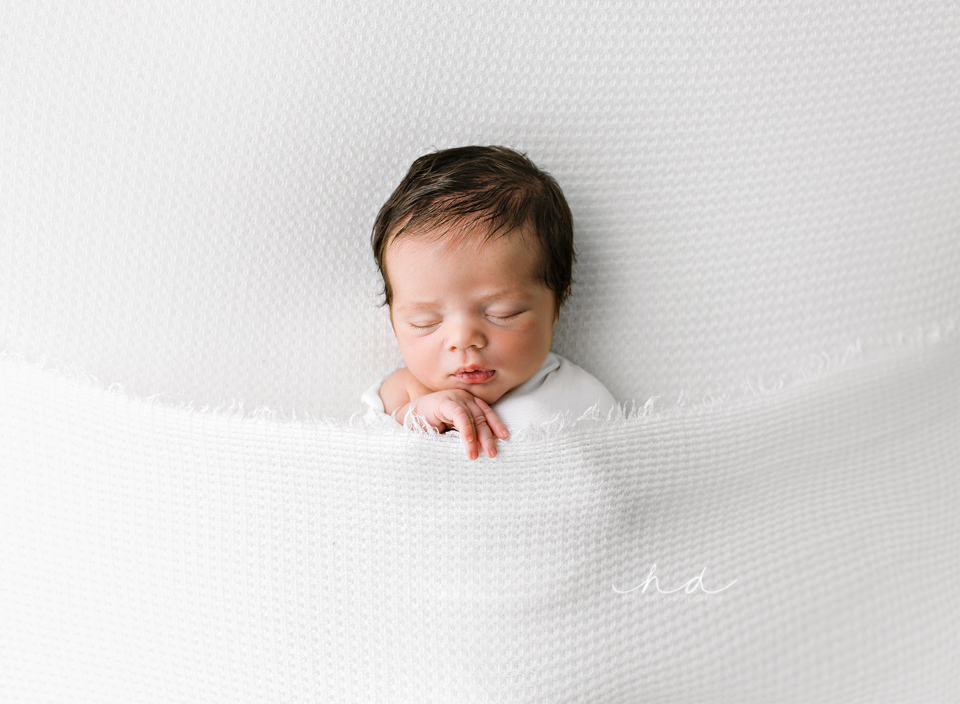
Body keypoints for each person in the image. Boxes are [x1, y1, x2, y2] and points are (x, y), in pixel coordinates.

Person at [362, 145, 618, 459]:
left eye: (502, 313)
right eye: (424, 322)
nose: (463, 339)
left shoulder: (583, 399)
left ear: (556, 301)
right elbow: (369, 459)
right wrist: (419, 416)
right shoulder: (403, 393)